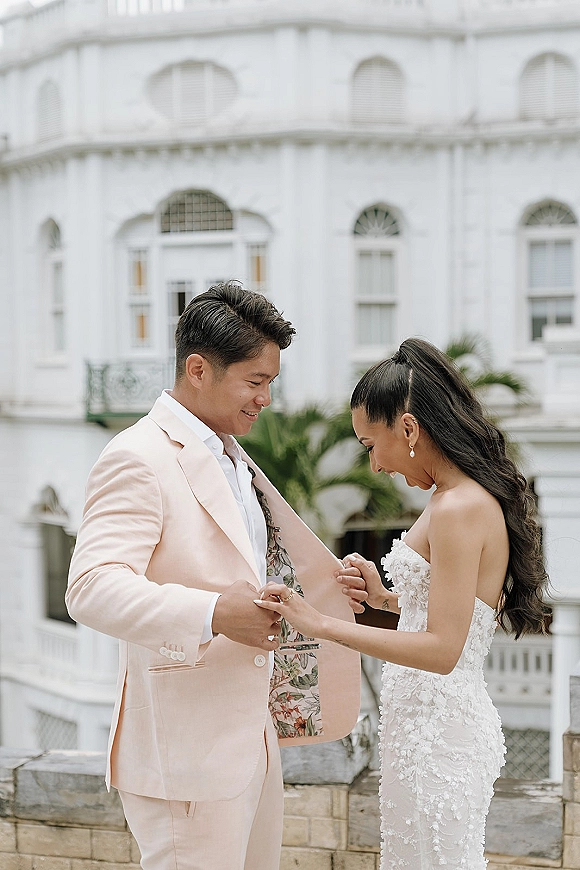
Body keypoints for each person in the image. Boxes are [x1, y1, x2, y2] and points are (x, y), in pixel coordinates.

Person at [66, 282, 360, 870]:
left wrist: (330, 586)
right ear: (197, 369)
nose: (267, 400)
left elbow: (255, 563)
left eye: (271, 383)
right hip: (186, 757)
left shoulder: (231, 452)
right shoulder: (137, 455)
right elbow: (91, 587)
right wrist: (211, 614)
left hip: (254, 741)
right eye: (255, 382)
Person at [256, 337, 548, 870]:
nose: (373, 465)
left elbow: (443, 650)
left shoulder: (460, 507)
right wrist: (383, 598)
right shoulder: (449, 498)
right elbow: (449, 611)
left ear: (409, 429)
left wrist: (320, 623)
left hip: (442, 739)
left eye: (370, 444)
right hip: (417, 731)